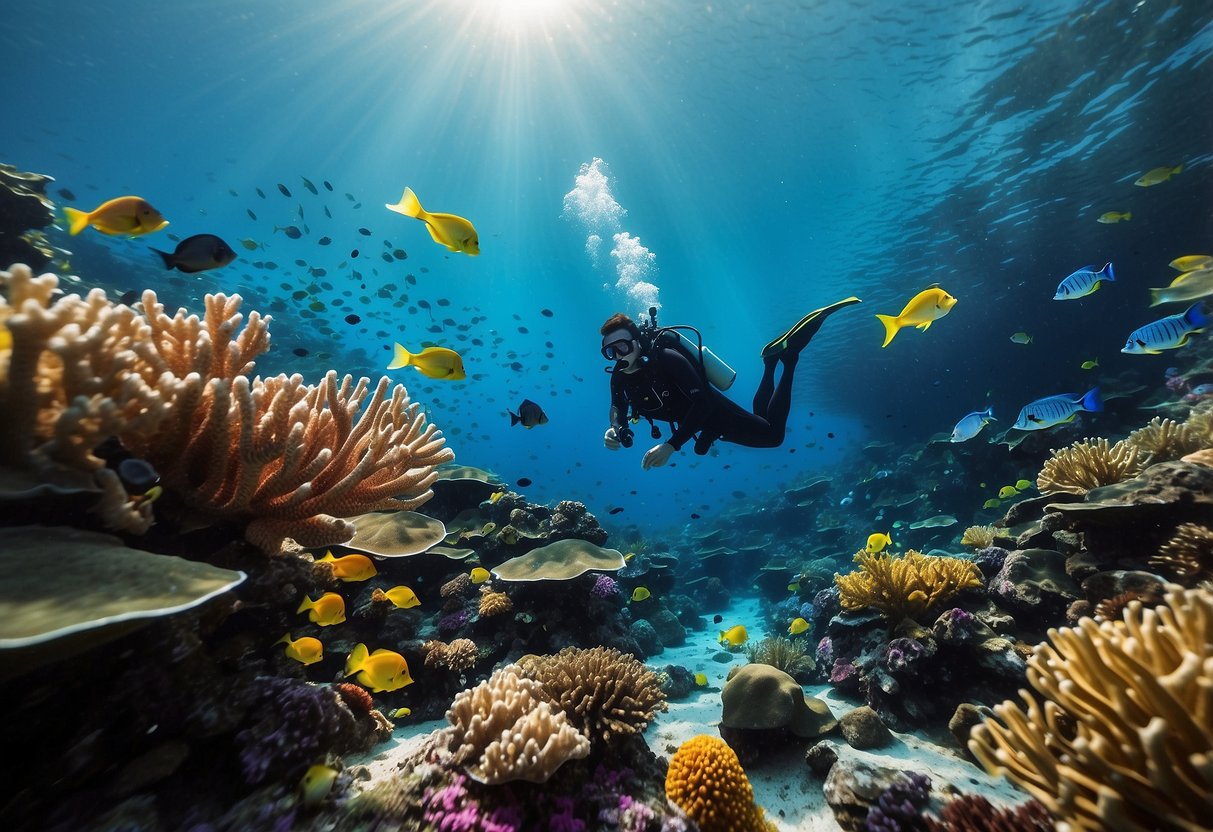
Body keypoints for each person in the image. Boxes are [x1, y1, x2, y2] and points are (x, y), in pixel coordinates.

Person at [600, 298, 861, 469]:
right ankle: (771, 363)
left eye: (622, 346)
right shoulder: (619, 375)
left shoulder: (667, 359)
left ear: (636, 342)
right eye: (610, 352)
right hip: (699, 424)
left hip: (712, 412)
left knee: (774, 436)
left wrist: (672, 445)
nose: (618, 356)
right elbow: (617, 406)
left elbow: (702, 402)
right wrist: (615, 428)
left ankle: (788, 360)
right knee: (761, 423)